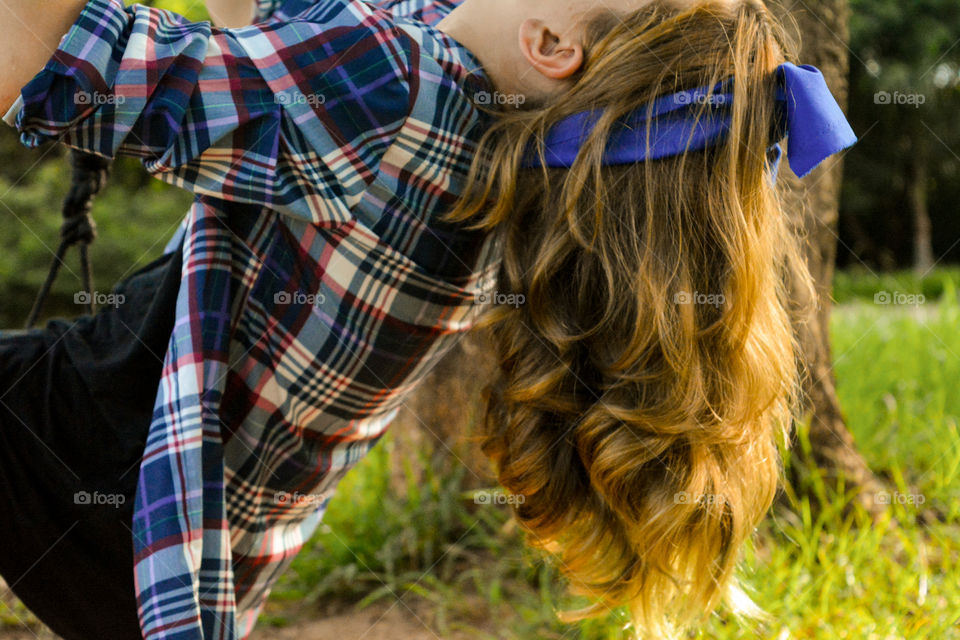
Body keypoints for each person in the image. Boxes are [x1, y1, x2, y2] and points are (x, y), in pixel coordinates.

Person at [0, 0, 855, 638]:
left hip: (104, 481)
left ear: (551, 44)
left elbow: (35, 62)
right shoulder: (500, 131)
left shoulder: (398, 91)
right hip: (185, 542)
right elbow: (265, 25)